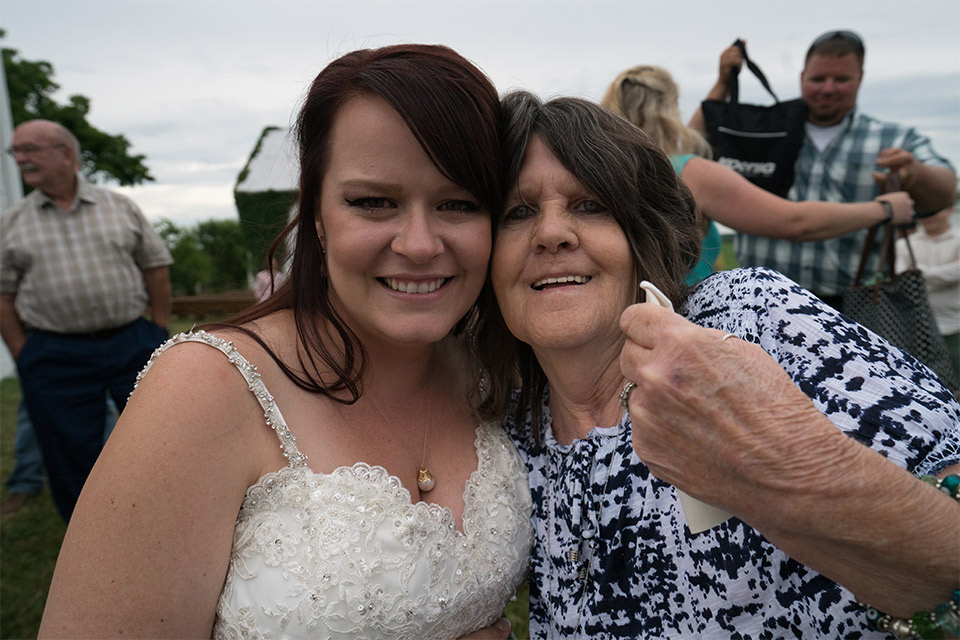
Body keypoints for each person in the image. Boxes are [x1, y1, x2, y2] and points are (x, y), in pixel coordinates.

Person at [38, 45, 531, 639]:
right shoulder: (205, 389)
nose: (420, 244)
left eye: (459, 204)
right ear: (316, 215)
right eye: (373, 202)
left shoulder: (492, 373)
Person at [475, 92, 959, 638]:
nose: (552, 233)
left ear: (642, 233)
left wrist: (794, 472)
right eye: (518, 212)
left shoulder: (745, 318)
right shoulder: (506, 431)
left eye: (591, 205)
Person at [690, 31, 957, 308]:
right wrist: (722, 84)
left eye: (841, 79)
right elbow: (687, 153)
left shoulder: (893, 139)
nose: (828, 88)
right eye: (818, 79)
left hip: (855, 304)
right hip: (762, 301)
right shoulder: (761, 132)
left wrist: (915, 173)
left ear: (860, 78)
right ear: (802, 77)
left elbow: (945, 190)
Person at [0, 120, 172, 522]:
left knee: (157, 435)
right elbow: (3, 297)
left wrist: (158, 329)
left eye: (29, 149)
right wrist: (24, 353)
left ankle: (159, 513)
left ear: (67, 154)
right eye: (16, 151)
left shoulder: (119, 206)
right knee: (69, 449)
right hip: (54, 352)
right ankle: (87, 530)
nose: (20, 159)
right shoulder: (12, 223)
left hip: (131, 342)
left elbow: (156, 268)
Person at [600, 64, 915, 283]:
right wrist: (883, 208)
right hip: (684, 318)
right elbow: (795, 222)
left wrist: (723, 82)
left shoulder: (605, 170)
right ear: (669, 109)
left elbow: (690, 133)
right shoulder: (690, 172)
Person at [897, 204, 960, 379]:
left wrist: (917, 273)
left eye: (933, 212)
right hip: (916, 327)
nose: (928, 218)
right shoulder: (903, 244)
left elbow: (956, 274)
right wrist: (945, 274)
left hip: (955, 324)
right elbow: (901, 277)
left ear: (948, 209)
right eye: (923, 214)